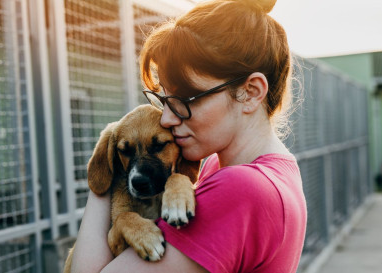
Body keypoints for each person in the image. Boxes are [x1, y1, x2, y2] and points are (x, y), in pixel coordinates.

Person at [70, 0, 307, 272]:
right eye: (165, 100)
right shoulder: (261, 170)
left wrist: (109, 163)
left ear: (250, 92)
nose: (168, 118)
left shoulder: (239, 188)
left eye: (186, 99)